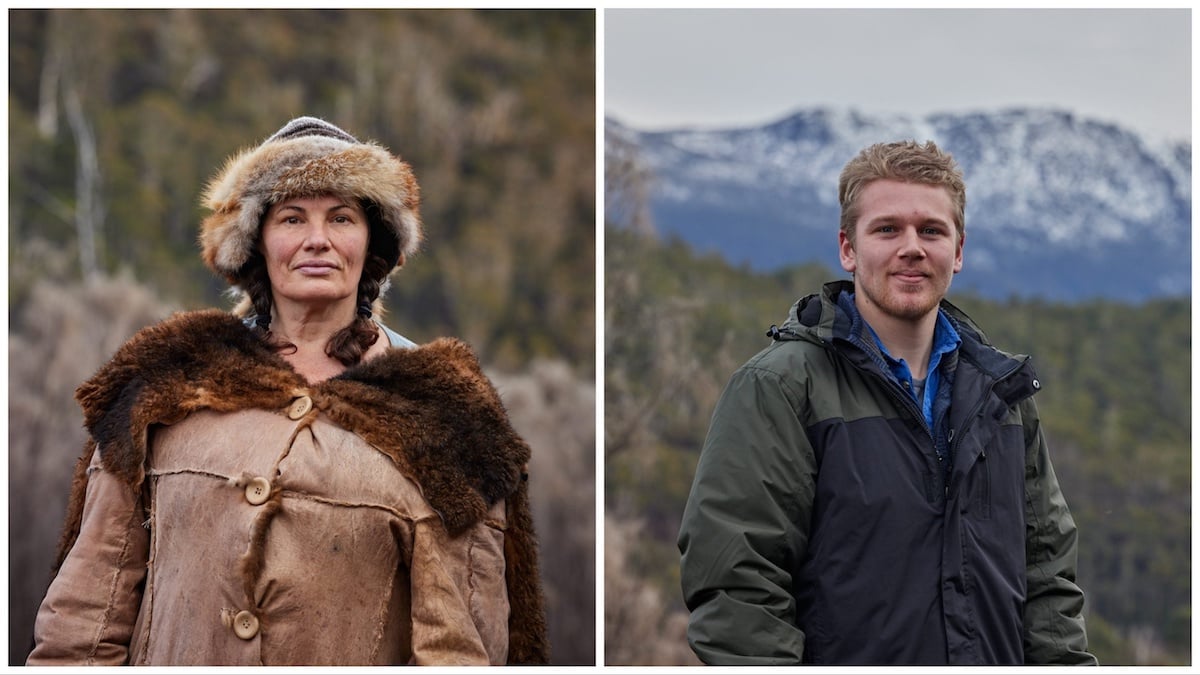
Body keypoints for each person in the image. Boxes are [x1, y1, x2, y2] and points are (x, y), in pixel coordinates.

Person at [27, 117, 549, 666]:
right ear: (257, 243)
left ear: (372, 244)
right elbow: (87, 616)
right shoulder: (170, 380)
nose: (317, 240)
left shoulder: (444, 414)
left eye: (341, 218)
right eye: (292, 218)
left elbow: (461, 648)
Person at [677, 140, 1096, 666]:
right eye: (887, 229)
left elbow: (1048, 579)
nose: (912, 247)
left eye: (931, 230)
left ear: (958, 250)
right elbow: (736, 589)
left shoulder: (1002, 396)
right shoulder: (780, 389)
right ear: (848, 248)